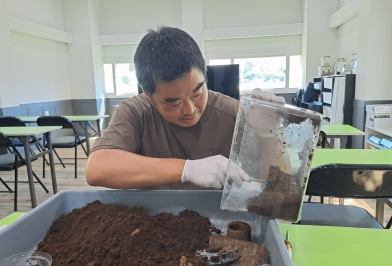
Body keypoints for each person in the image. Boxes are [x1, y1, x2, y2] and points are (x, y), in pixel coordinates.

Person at [85, 26, 284, 190]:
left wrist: (268, 135)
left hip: (220, 219)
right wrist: (187, 170)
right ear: (148, 94)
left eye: (197, 93)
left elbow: (281, 189)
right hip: (156, 220)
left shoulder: (233, 112)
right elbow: (97, 169)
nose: (190, 109)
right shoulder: (136, 112)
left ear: (204, 76)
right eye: (173, 102)